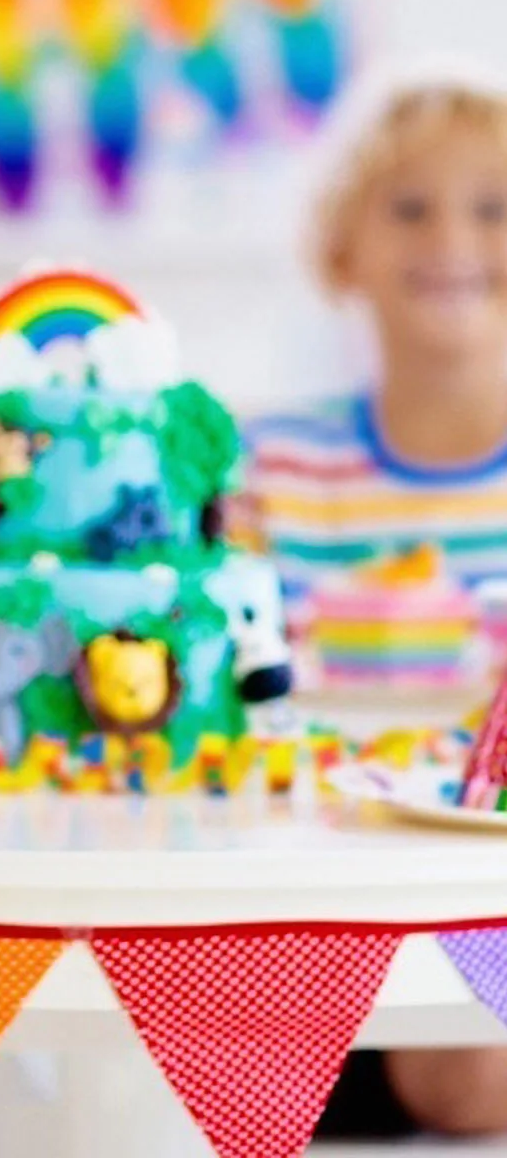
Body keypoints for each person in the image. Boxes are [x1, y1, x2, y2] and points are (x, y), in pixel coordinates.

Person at [242, 70, 507, 1139]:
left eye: (493, 208)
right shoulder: (272, 463)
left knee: (469, 1081)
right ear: (341, 249)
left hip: (482, 883)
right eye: (408, 206)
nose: (452, 236)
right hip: (306, 873)